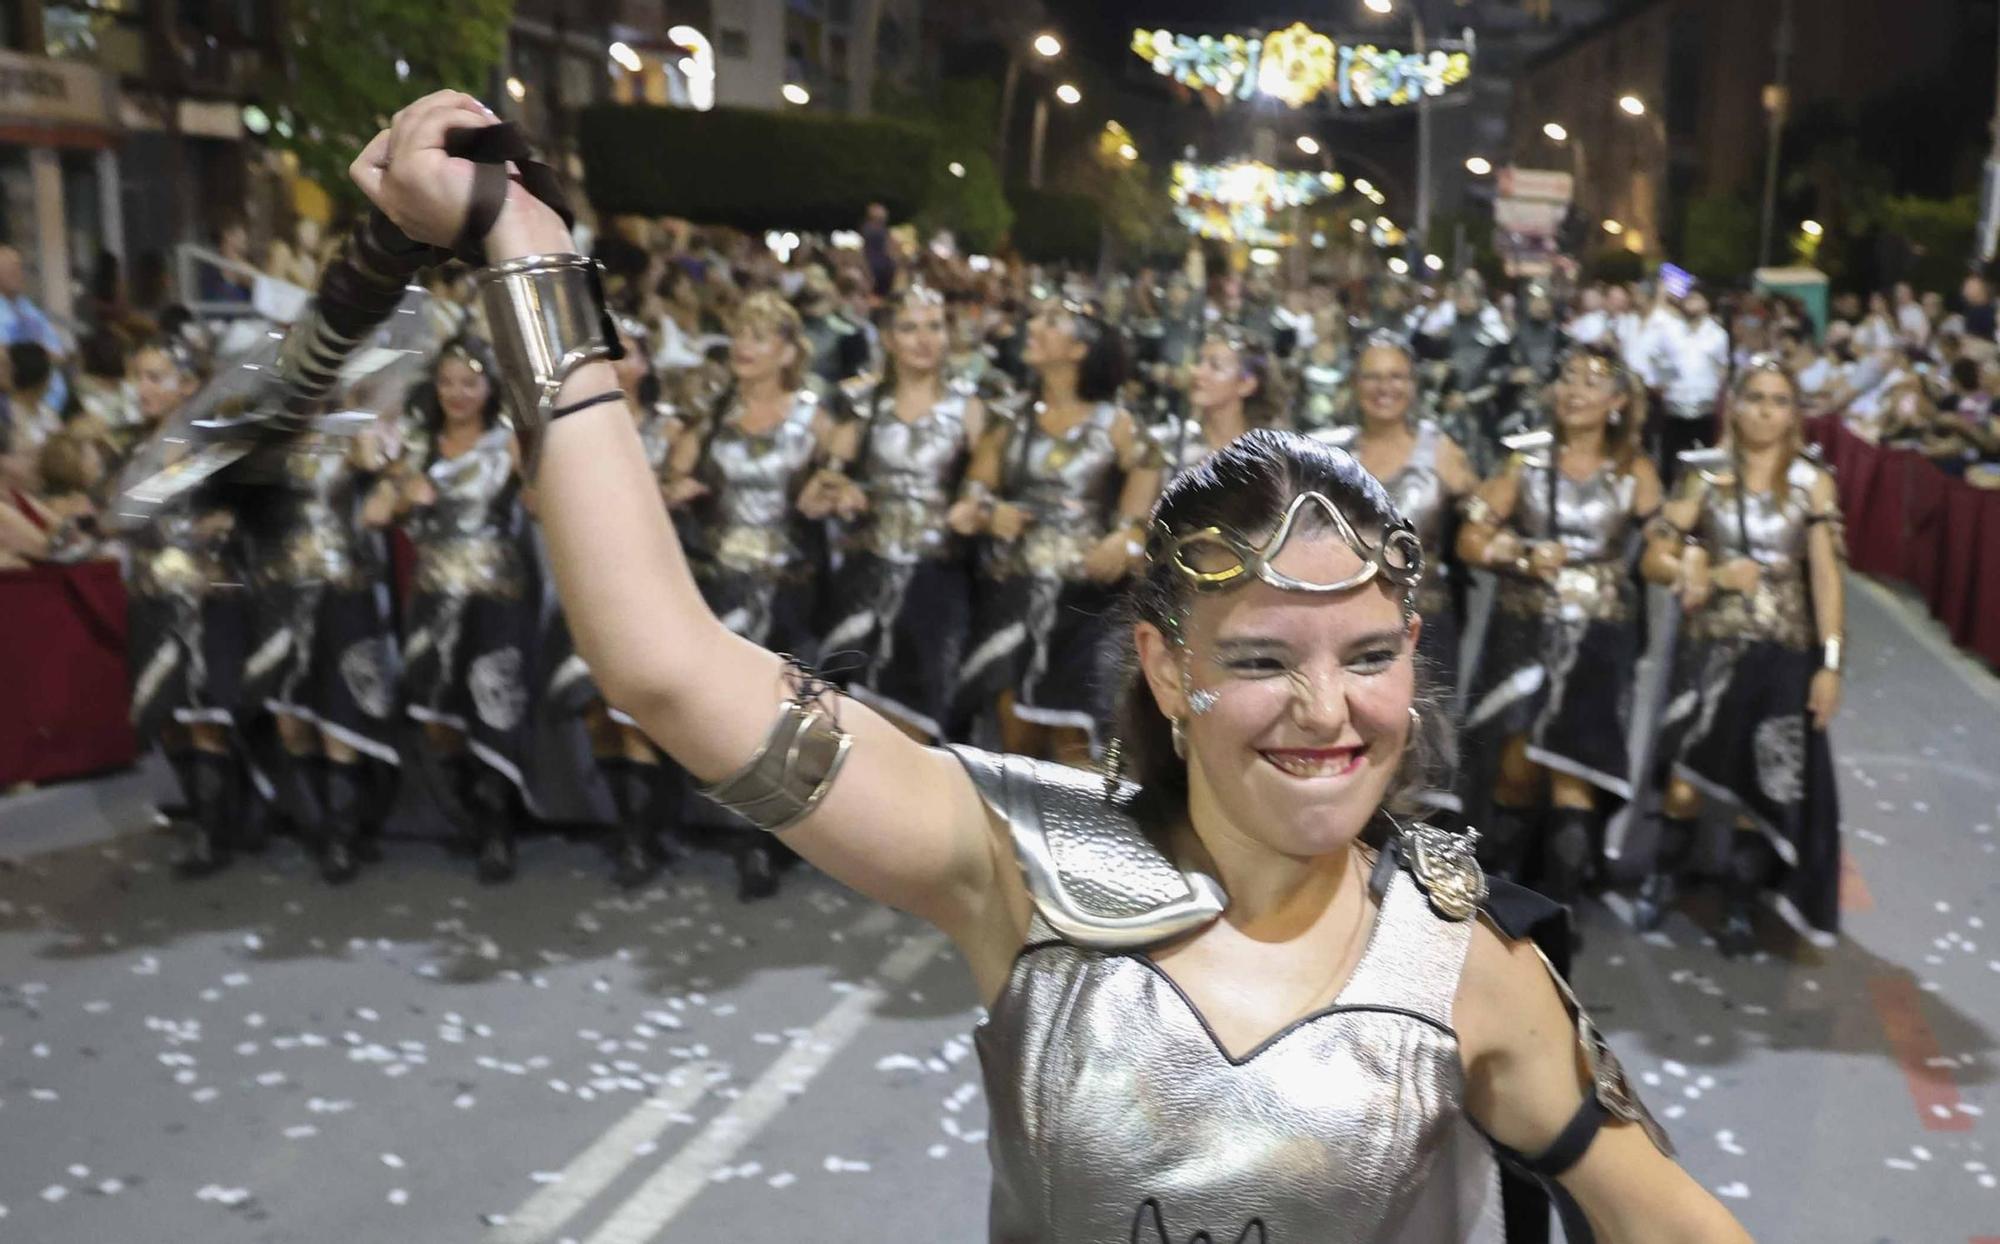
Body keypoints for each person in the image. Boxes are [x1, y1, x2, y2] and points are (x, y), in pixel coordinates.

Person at [346, 94, 1755, 1244]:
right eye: (1263, 657)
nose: (1331, 712)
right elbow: (663, 666)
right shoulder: (1025, 869)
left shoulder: (1468, 963)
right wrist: (522, 254)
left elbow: (1667, 1222)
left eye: (1372, 655)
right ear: (1162, 665)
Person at [1638, 361, 1844, 955]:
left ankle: (1740, 901)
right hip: (1709, 651)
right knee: (1683, 784)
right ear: (1735, 405)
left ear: (1793, 412)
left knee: (1765, 787)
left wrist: (1830, 663)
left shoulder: (1813, 483)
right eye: (1754, 397)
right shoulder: (1702, 476)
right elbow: (1655, 558)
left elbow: (1827, 580)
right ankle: (1661, 877)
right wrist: (1696, 567)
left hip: (1785, 654)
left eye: (1778, 400)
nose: (1764, 410)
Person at [1458, 347, 1662, 913]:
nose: (1574, 390)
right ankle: (1498, 902)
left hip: (1599, 640)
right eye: (1566, 377)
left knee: (1577, 771)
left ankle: (1559, 913)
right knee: (1517, 767)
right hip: (1525, 632)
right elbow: (1470, 540)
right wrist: (1520, 554)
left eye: (1592, 383)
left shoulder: (1635, 471)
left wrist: (1691, 565)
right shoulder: (1525, 460)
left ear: (1618, 402)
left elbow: (1665, 548)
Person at [658, 290, 846, 899]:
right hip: (725, 589)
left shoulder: (817, 419)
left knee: (783, 719)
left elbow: (845, 485)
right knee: (730, 717)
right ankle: (742, 837)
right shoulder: (710, 418)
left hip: (792, 590)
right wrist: (675, 487)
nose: (742, 345)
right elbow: (662, 483)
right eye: (738, 332)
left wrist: (829, 495)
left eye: (759, 336)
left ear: (788, 351)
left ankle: (772, 841)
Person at [952, 298, 1160, 764]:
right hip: (1016, 599)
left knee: (1076, 749)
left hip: (1086, 604)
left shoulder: (1119, 425)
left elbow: (1144, 503)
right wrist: (989, 513)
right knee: (1016, 745)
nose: (1032, 327)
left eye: (1050, 321)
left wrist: (1125, 538)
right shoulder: (1010, 422)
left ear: (1080, 348)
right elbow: (970, 498)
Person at [364, 336, 534, 882]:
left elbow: (539, 503)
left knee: (495, 706)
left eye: (469, 382)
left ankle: (498, 829)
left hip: (496, 594)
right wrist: (398, 489)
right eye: (447, 383)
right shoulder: (420, 448)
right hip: (433, 597)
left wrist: (532, 468)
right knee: (439, 716)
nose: (457, 393)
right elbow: (372, 517)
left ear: (489, 388)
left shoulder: (507, 443)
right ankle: (470, 812)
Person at [239, 396, 403, 884]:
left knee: (343, 715)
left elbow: (381, 491)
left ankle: (342, 836)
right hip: (278, 597)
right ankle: (317, 826)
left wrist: (385, 470)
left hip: (341, 593)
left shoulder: (350, 435)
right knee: (291, 721)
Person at [817, 285, 986, 744]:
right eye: (909, 328)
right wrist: (842, 488)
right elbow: (822, 482)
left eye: (934, 327)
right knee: (851, 721)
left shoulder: (971, 410)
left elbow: (992, 489)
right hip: (865, 576)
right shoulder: (862, 406)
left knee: (921, 717)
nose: (923, 339)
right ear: (889, 338)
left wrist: (978, 509)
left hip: (938, 581)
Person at [121, 339, 253, 876]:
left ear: (186, 386)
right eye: (139, 377)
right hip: (150, 599)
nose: (145, 388)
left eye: (156, 376)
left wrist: (214, 525)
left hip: (203, 600)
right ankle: (208, 816)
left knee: (203, 718)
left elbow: (245, 513)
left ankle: (210, 834)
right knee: (166, 719)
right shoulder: (131, 450)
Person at [1321, 334, 1480, 757]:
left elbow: (1483, 516)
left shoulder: (1441, 451)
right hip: (1341, 625)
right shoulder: (1327, 451)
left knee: (1422, 750)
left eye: (1395, 377)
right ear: (1354, 384)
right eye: (1371, 377)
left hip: (1424, 626)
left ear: (1413, 385)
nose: (1383, 388)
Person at [1646, 289, 1729, 482]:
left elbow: (1723, 366)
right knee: (1670, 458)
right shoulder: (1669, 331)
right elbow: (1655, 358)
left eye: (1697, 298)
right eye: (1689, 298)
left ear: (1707, 304)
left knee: (1704, 459)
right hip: (1674, 404)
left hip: (1704, 406)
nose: (1692, 303)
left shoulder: (1717, 334)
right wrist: (1661, 382)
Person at [0, 243, 69, 413]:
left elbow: (58, 353)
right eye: (9, 268)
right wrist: (40, 355)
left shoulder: (30, 309)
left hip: (51, 404)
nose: (17, 273)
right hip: (15, 410)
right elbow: (7, 360)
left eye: (18, 267)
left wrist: (39, 355)